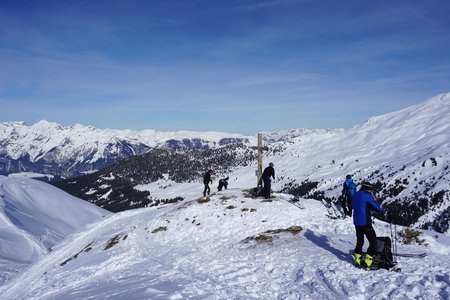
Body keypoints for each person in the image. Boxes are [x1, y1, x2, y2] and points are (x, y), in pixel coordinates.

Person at [352, 181, 382, 268]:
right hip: (365, 222)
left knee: (360, 241)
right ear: (368, 189)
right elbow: (378, 209)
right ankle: (368, 261)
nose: (371, 191)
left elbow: (355, 205)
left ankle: (357, 260)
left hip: (356, 221)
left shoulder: (356, 194)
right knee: (373, 241)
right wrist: (375, 200)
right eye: (371, 189)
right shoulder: (367, 196)